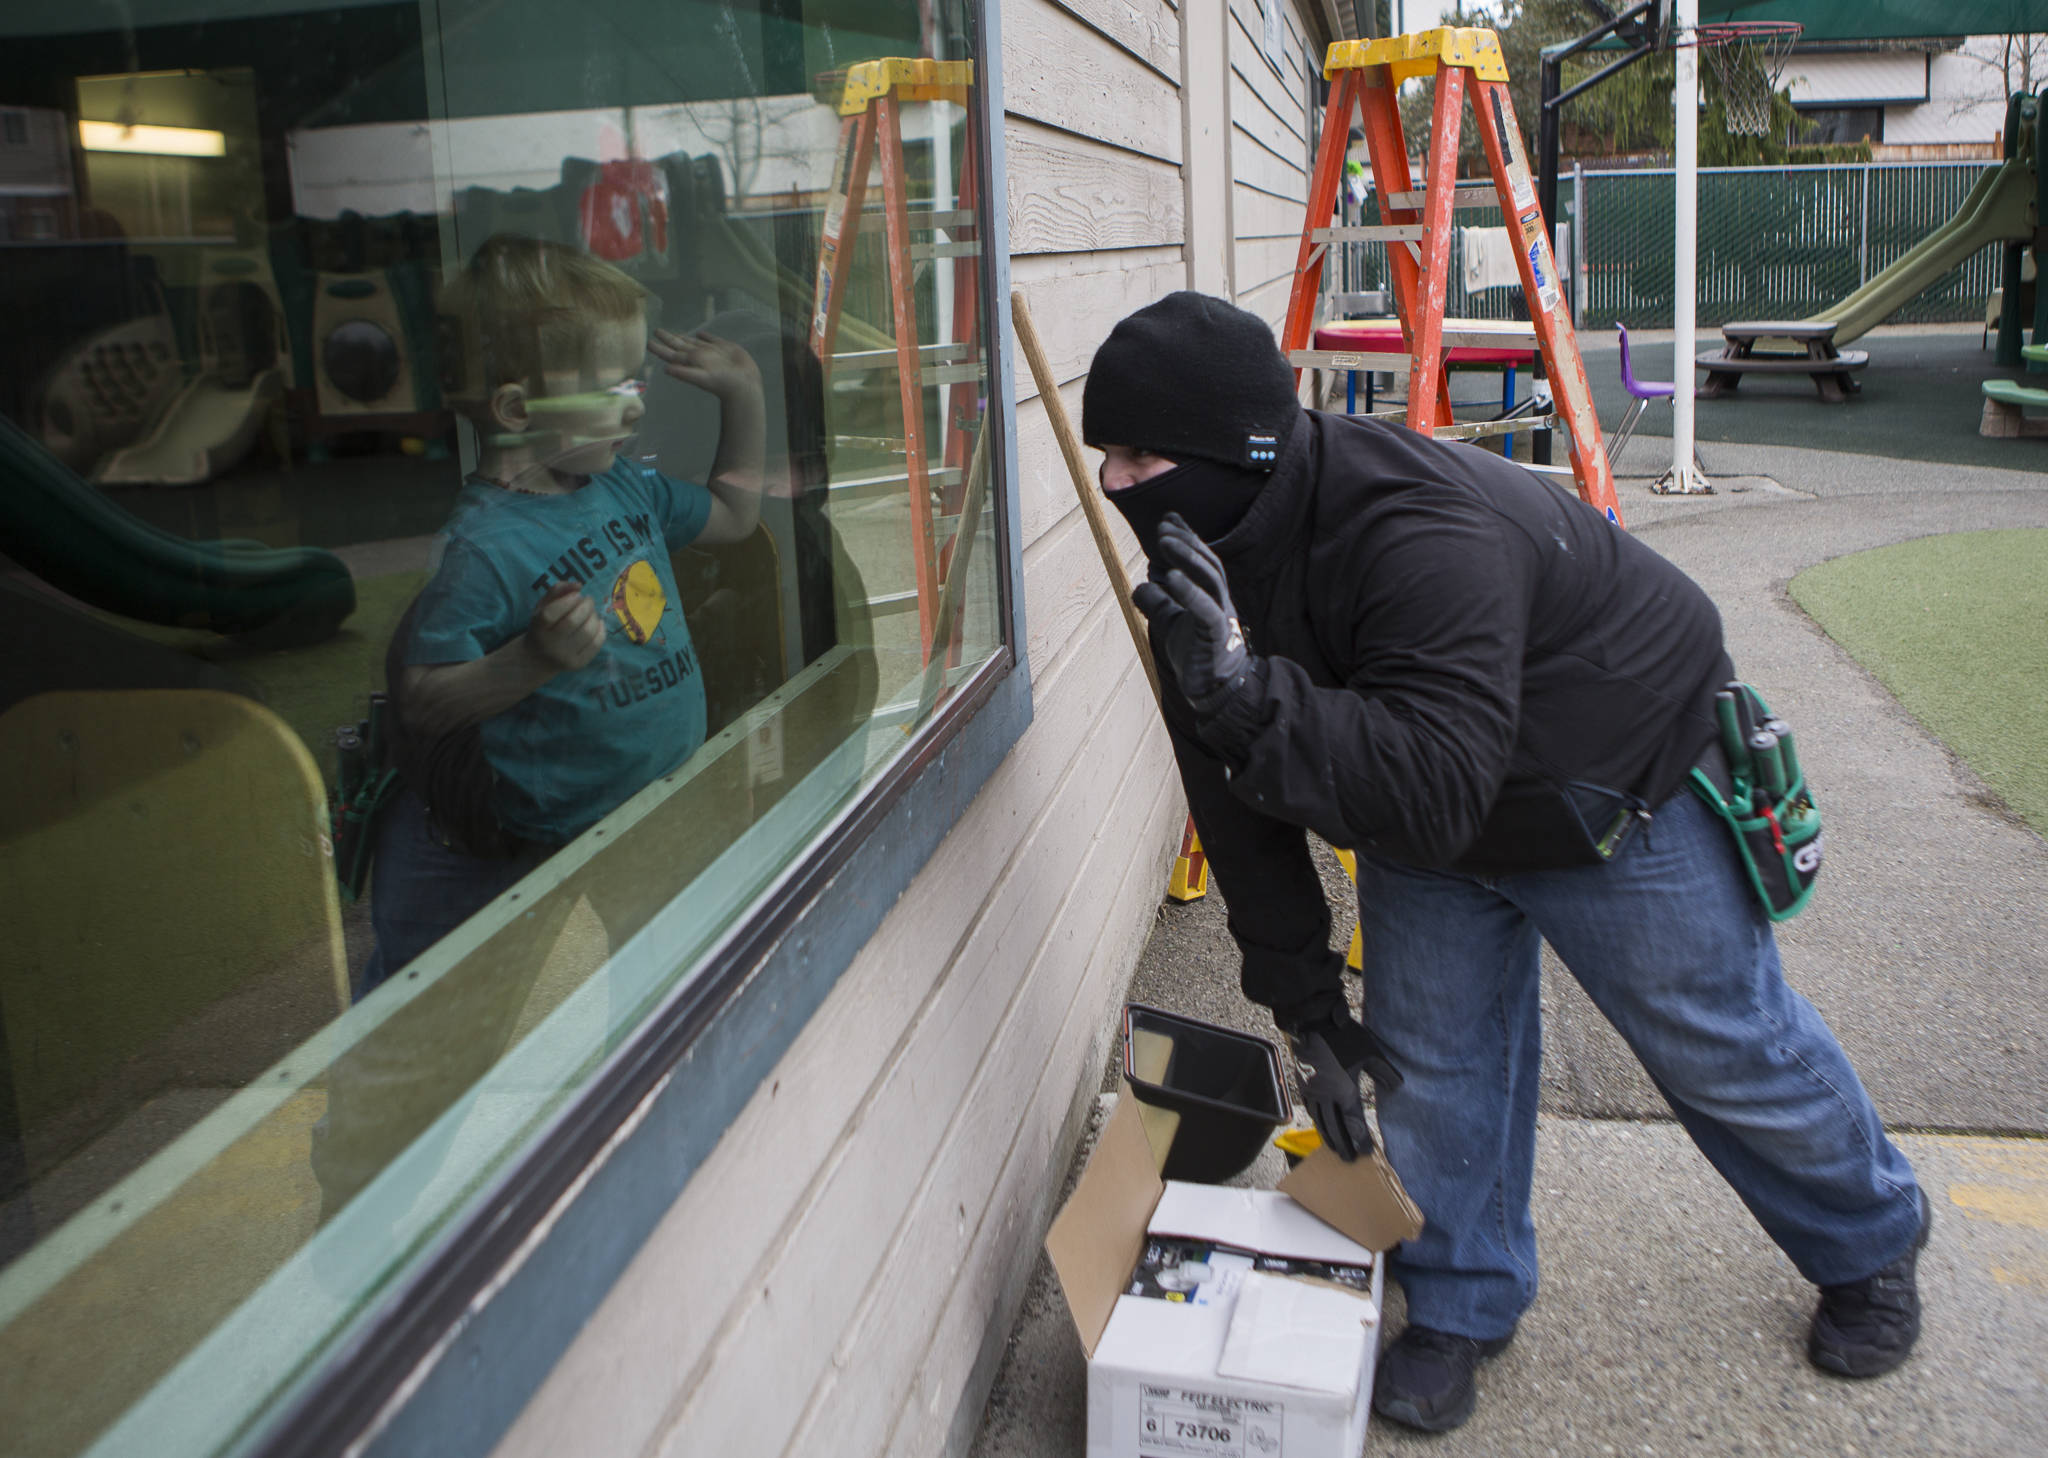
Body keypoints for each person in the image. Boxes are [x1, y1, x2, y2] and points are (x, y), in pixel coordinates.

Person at [1081, 292, 1929, 1433]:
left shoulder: (1411, 529)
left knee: (1718, 1040)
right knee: (1431, 1069)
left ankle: (1867, 1238)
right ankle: (1459, 1301)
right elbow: (1238, 806)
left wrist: (1244, 691)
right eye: (1105, 456)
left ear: (1235, 454)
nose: (1113, 484)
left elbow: (1432, 780)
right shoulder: (1200, 579)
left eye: (1137, 456)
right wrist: (1304, 1003)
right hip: (1422, 802)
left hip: (1609, 777)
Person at [362, 234, 767, 991]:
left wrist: (744, 394)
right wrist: (531, 661)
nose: (635, 406)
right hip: (533, 832)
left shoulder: (622, 489)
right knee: (454, 1012)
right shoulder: (483, 547)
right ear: (517, 408)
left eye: (636, 382)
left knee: (660, 996)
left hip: (645, 810)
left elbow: (735, 516)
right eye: (614, 389)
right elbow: (423, 701)